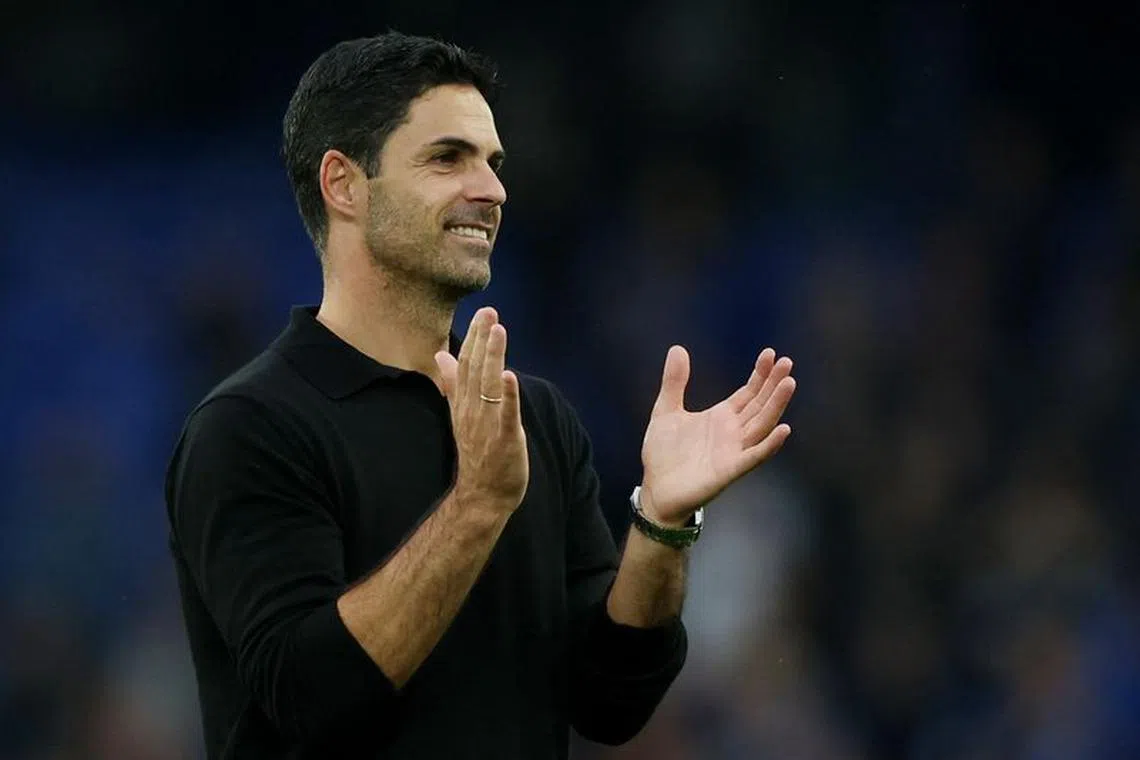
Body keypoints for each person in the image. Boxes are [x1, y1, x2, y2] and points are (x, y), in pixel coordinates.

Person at [164, 31, 797, 760]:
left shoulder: (535, 418)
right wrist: (476, 506)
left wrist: (659, 526)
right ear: (343, 184)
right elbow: (310, 702)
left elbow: (607, 701)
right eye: (447, 158)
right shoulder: (249, 428)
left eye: (493, 164)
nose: (492, 189)